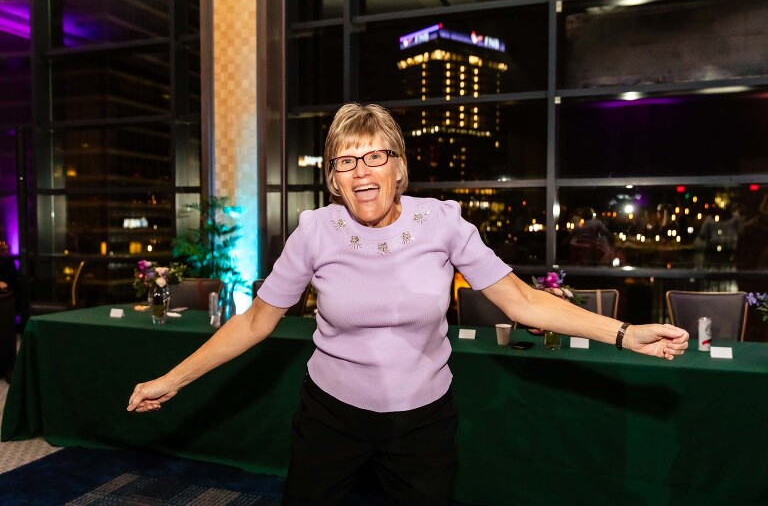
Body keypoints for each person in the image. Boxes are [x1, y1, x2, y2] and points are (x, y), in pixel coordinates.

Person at [127, 103, 689, 506]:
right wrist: (172, 380)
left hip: (423, 422)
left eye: (375, 157)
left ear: (399, 168)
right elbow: (255, 322)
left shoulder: (443, 222)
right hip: (331, 416)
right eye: (346, 162)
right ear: (332, 179)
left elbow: (521, 302)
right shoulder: (314, 232)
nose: (362, 171)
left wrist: (623, 332)